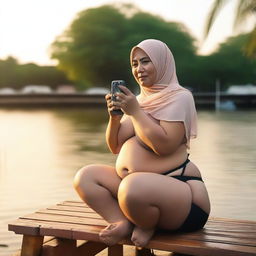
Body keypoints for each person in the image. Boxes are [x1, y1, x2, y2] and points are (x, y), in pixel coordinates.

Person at [73, 39, 211, 248]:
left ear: (163, 63)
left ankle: (146, 223)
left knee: (133, 186)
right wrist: (115, 117)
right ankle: (124, 221)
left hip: (184, 199)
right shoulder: (141, 100)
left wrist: (135, 112)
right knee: (86, 176)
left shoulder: (180, 97)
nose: (139, 69)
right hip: (138, 194)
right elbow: (115, 147)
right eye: (135, 64)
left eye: (146, 62)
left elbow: (164, 146)